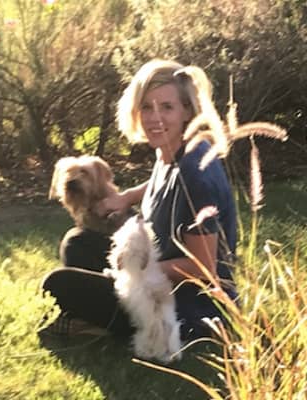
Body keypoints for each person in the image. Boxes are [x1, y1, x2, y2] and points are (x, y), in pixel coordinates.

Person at [40, 59, 237, 344]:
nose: (155, 117)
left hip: (184, 307)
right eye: (146, 107)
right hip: (152, 276)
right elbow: (163, 182)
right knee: (77, 243)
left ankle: (106, 326)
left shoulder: (197, 174)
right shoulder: (172, 150)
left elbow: (202, 267)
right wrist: (125, 198)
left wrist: (133, 272)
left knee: (57, 283)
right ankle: (100, 321)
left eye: (166, 107)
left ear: (186, 110)